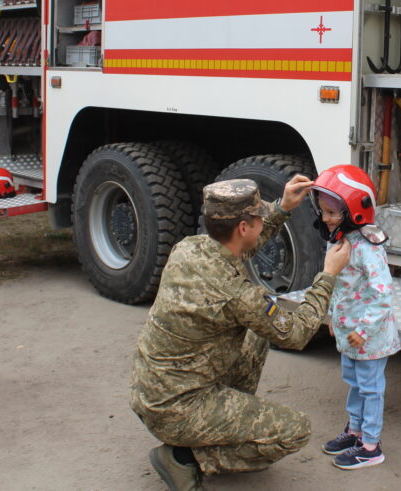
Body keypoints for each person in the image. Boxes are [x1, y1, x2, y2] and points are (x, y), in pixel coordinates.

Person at [130, 175, 351, 490]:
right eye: (260, 216)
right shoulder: (235, 293)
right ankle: (185, 458)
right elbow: (297, 333)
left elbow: (244, 246)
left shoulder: (191, 247)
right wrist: (328, 275)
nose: (263, 220)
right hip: (176, 409)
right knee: (295, 431)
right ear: (244, 227)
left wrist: (282, 208)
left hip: (152, 392)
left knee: (256, 334)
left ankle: (226, 423)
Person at [309, 164, 400, 470]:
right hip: (349, 332)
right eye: (323, 211)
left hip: (369, 337)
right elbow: (338, 286)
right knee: (354, 383)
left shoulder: (368, 248)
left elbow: (382, 294)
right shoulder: (339, 241)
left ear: (353, 212)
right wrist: (333, 318)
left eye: (332, 213)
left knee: (371, 388)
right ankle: (355, 431)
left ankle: (371, 446)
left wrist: (363, 330)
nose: (325, 218)